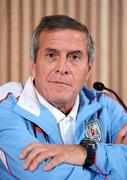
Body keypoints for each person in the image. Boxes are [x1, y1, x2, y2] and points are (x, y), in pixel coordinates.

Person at [0, 15, 127, 180]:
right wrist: (112, 165)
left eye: (74, 57)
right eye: (51, 55)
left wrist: (84, 152)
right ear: (34, 64)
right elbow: (48, 176)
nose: (62, 68)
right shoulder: (6, 107)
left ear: (88, 70)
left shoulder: (106, 107)